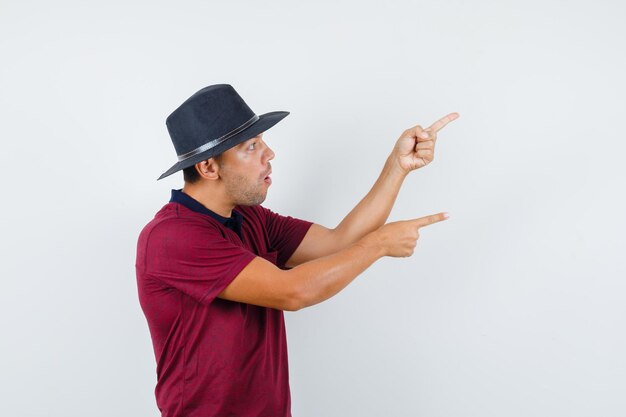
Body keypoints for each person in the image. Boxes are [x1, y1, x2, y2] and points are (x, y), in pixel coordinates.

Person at [135, 84, 458, 417]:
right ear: (209, 168)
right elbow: (294, 292)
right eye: (252, 146)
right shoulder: (172, 237)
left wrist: (397, 167)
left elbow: (339, 243)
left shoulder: (248, 217)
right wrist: (379, 244)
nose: (269, 154)